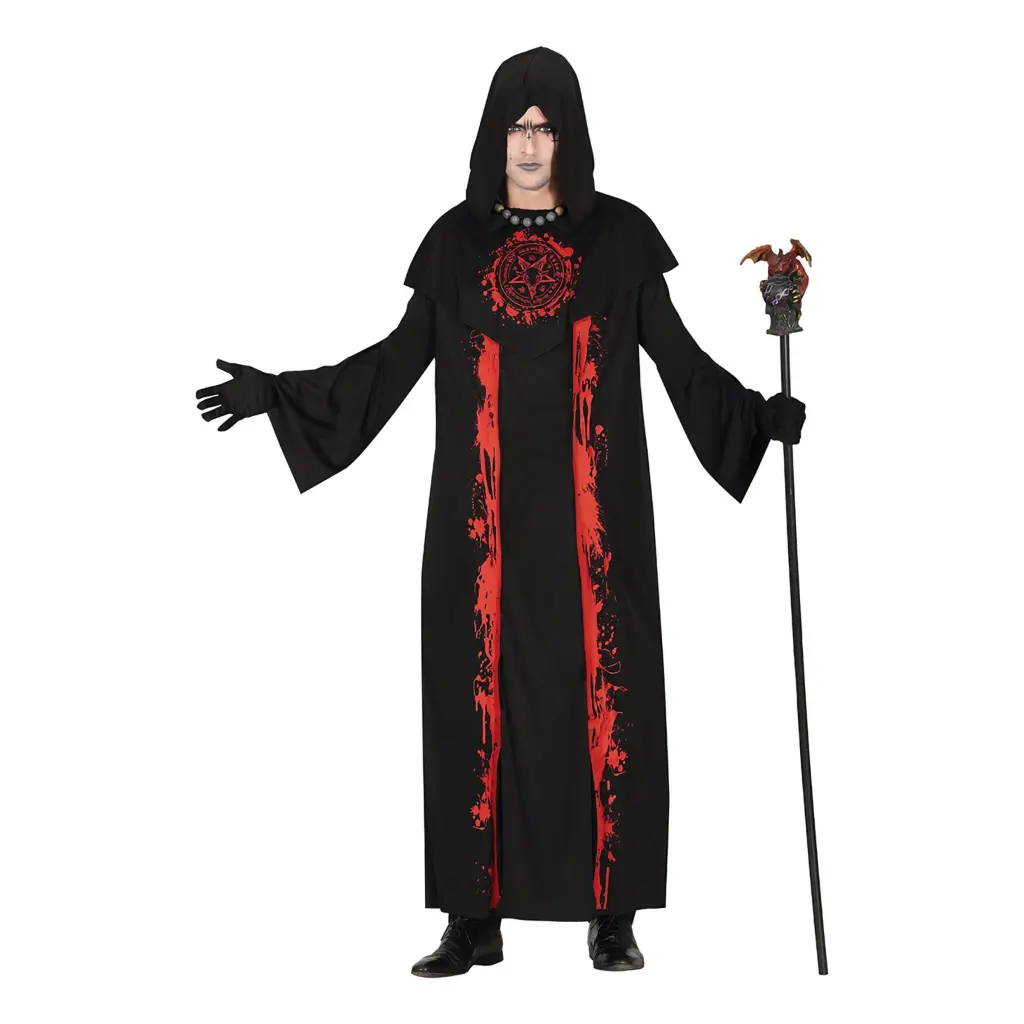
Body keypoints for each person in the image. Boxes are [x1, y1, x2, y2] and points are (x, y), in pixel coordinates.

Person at [195, 46, 806, 976]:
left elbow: (678, 361)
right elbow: (390, 365)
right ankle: (471, 918)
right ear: (494, 135)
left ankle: (613, 913)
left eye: (546, 126)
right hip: (478, 530)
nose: (530, 144)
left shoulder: (620, 240)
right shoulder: (455, 245)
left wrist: (757, 418)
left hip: (597, 530)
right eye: (517, 126)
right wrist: (279, 394)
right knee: (468, 704)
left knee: (610, 702)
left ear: (571, 136)